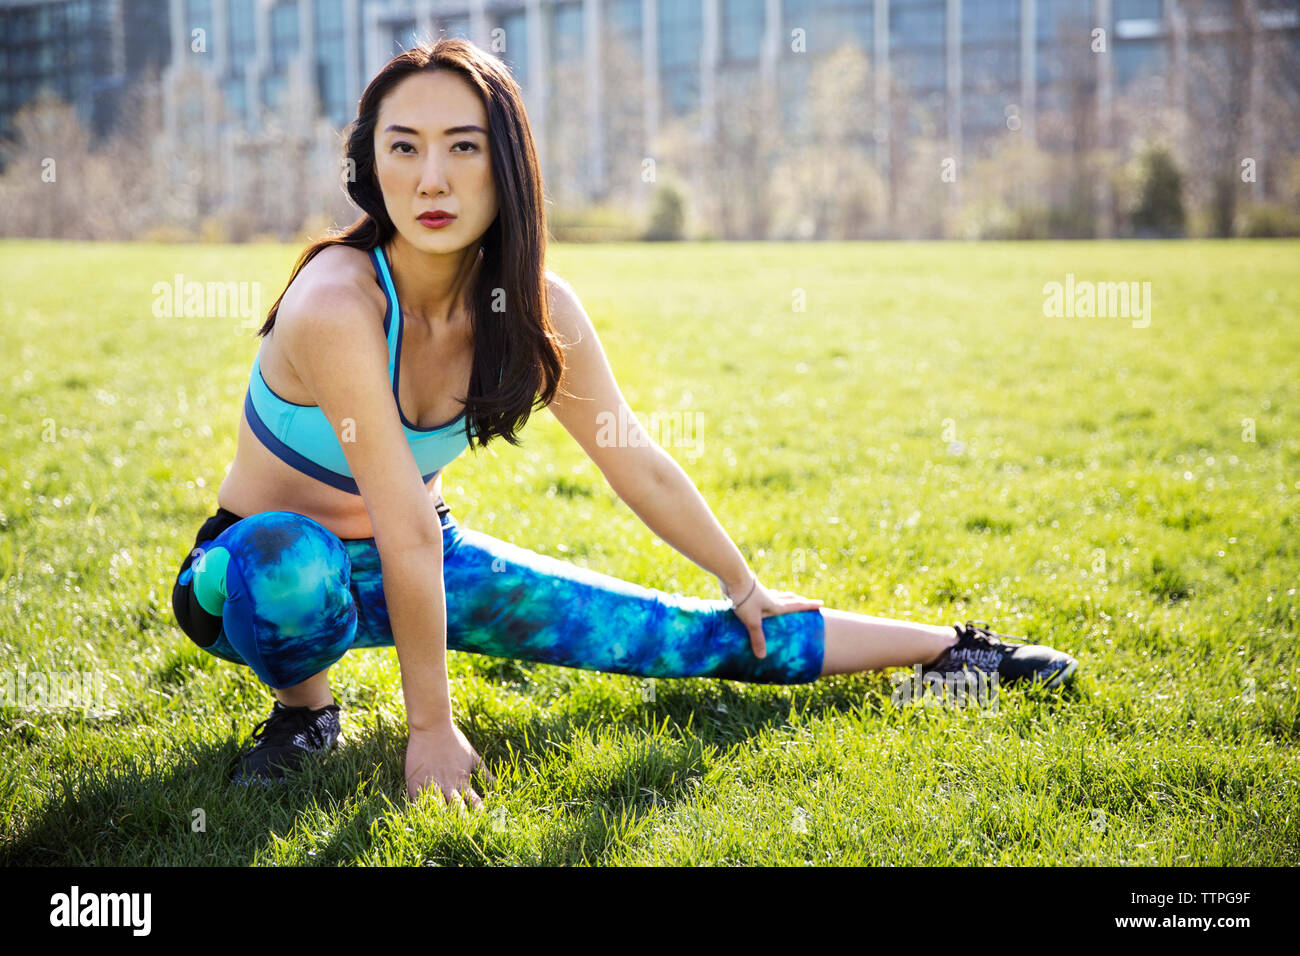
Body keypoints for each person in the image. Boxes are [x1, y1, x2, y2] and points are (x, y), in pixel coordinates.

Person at [170, 37, 1078, 811]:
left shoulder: (533, 307)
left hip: (426, 562)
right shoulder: (337, 301)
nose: (432, 178)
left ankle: (959, 652)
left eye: (463, 147)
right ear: (370, 164)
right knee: (288, 562)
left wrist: (742, 581)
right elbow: (398, 523)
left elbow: (630, 458)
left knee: (686, 637)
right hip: (247, 579)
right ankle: (305, 714)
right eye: (403, 149)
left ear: (507, 165)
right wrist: (431, 729)